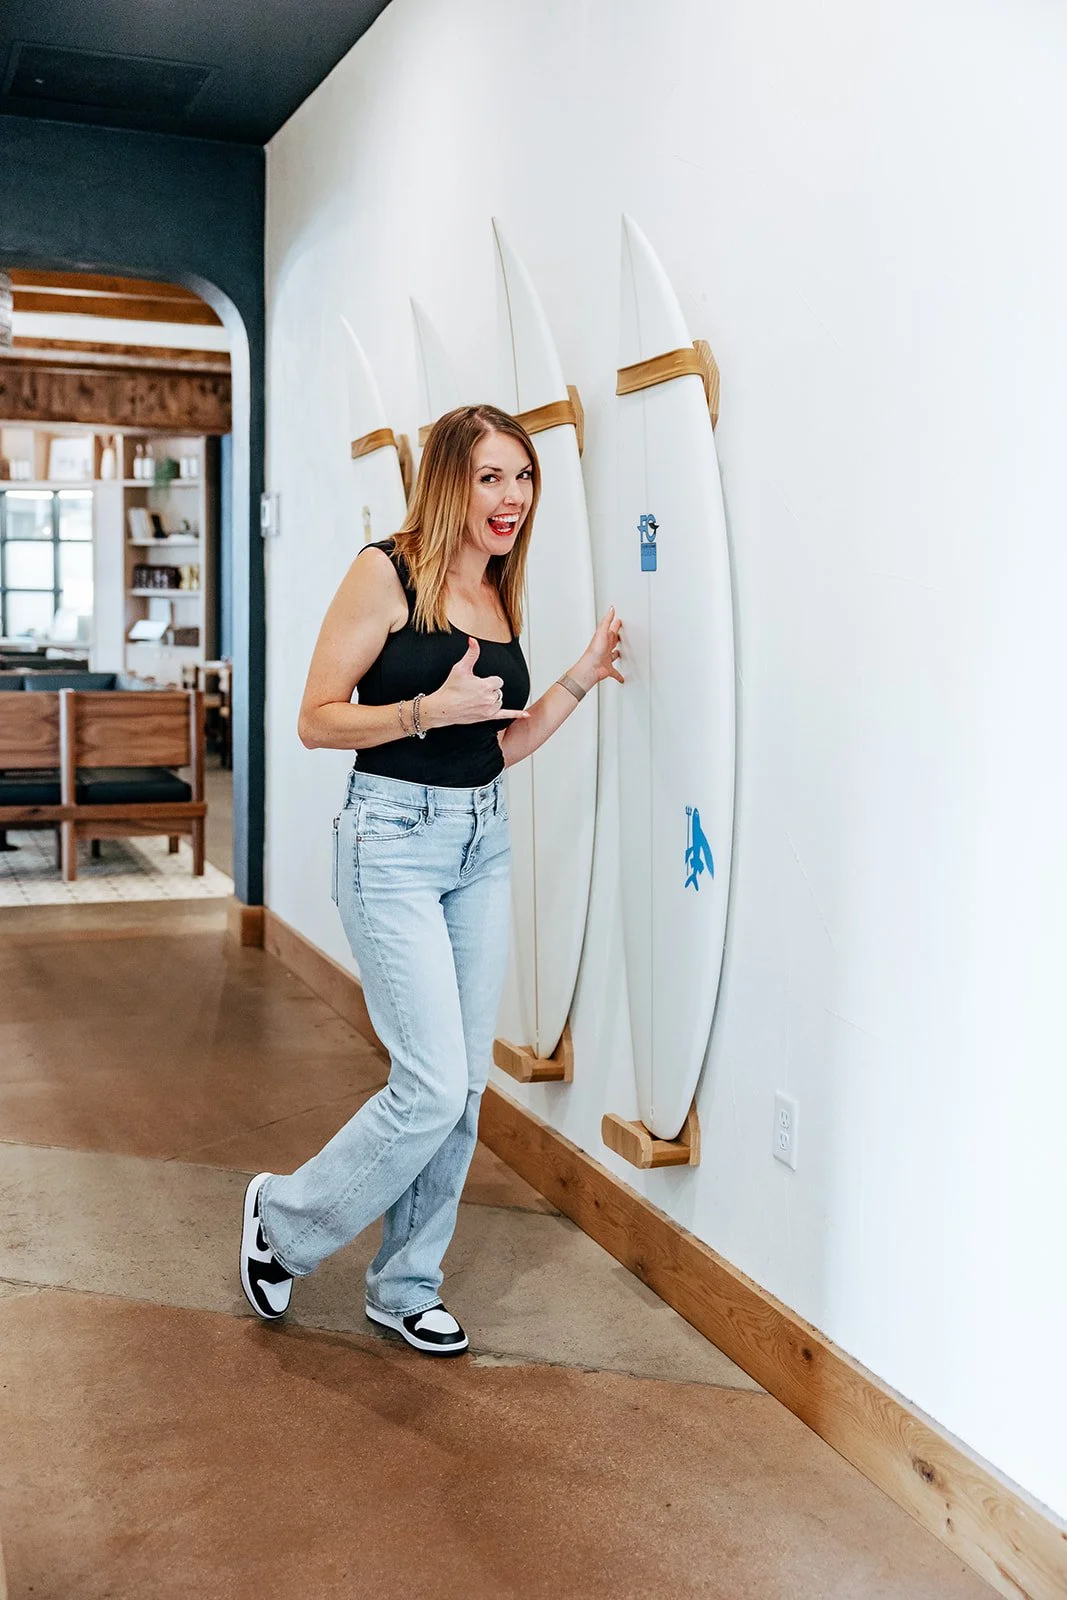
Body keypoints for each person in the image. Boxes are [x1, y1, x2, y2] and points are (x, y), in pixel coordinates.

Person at [240, 403, 623, 1354]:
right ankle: (282, 1223)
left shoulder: (499, 590)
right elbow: (316, 720)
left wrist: (575, 677)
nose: (512, 498)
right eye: (492, 477)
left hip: (479, 844)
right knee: (430, 1081)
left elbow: (499, 743)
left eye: (524, 478)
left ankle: (405, 1284)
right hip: (390, 844)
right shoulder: (387, 571)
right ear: (451, 479)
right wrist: (422, 708)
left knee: (464, 1093)